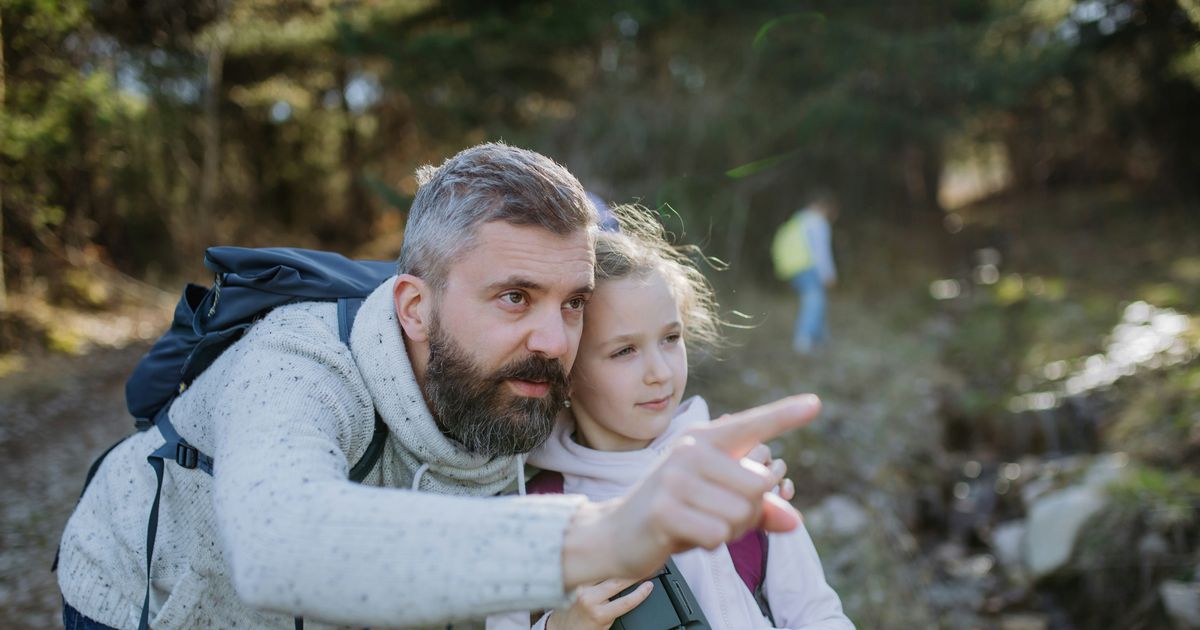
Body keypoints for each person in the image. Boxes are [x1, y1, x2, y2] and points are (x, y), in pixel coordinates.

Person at [56, 142, 822, 629]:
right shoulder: (296, 362)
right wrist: (604, 537)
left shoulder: (525, 402)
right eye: (515, 297)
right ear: (415, 307)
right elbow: (275, 545)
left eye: (574, 304)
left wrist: (712, 484)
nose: (555, 343)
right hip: (148, 601)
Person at [486, 206, 852, 630]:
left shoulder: (738, 469)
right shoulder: (530, 514)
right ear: (566, 372)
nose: (659, 372)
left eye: (670, 338)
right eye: (624, 351)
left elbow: (817, 614)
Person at [771, 192, 838, 354]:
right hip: (807, 266)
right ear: (823, 207)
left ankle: (820, 341)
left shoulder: (798, 220)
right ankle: (804, 339)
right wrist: (829, 274)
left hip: (791, 268)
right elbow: (820, 251)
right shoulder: (817, 222)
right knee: (814, 301)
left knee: (816, 301)